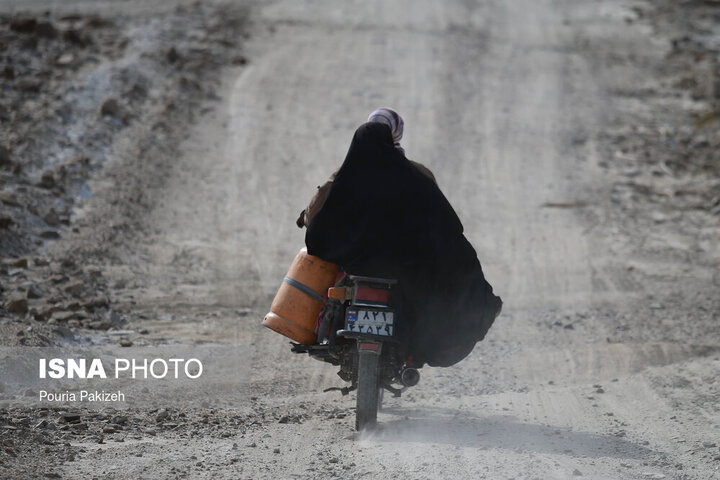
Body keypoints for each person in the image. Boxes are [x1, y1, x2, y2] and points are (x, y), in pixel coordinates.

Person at [297, 108, 502, 367]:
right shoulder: (417, 174)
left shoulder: (345, 174)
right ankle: (414, 350)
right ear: (396, 135)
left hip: (356, 260)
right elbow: (439, 216)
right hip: (402, 264)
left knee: (328, 279)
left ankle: (326, 334)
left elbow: (317, 212)